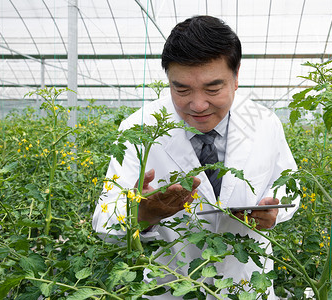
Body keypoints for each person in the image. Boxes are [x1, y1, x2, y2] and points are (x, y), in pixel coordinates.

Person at [93, 15, 299, 299]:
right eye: (182, 89)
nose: (198, 105)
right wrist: (144, 214)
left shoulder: (264, 121)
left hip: (248, 283)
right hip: (172, 287)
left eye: (213, 89)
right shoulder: (138, 128)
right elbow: (104, 220)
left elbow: (289, 183)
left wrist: (273, 211)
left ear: (236, 76)